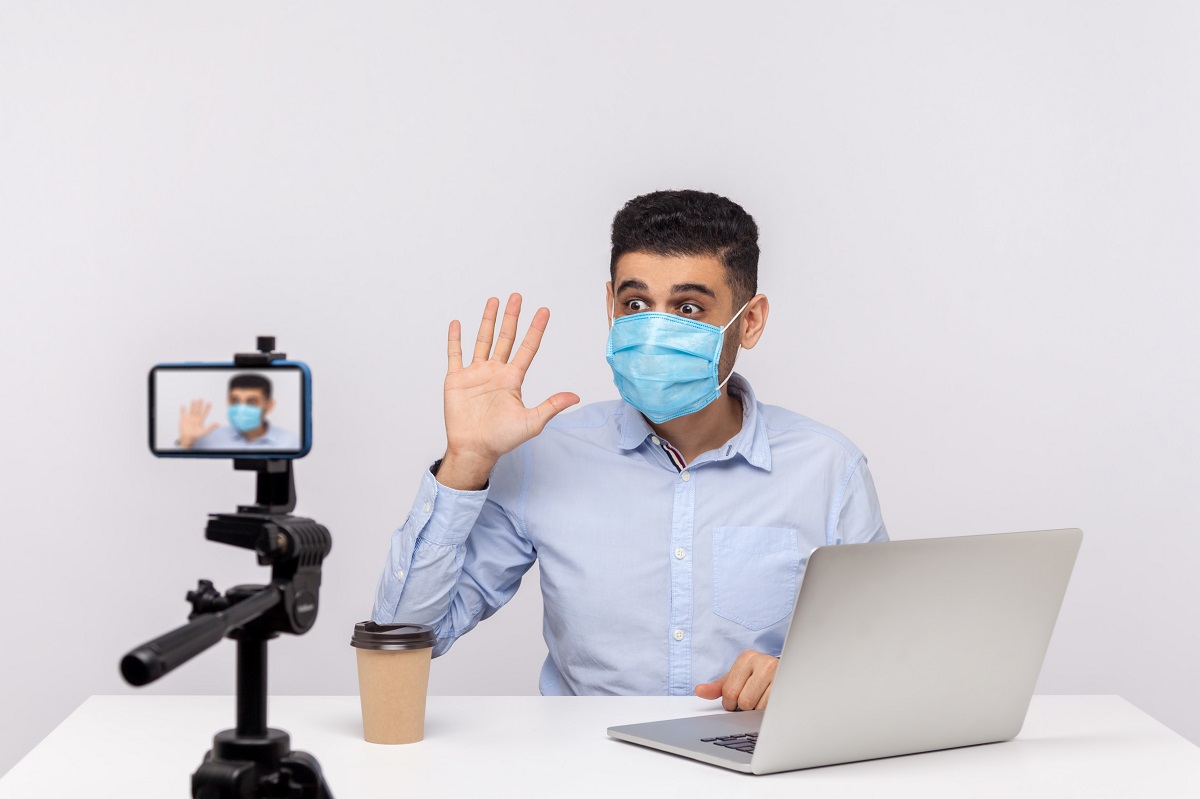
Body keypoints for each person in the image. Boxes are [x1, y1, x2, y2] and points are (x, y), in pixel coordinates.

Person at [373, 190, 887, 711]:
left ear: (749, 322)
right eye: (635, 305)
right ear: (610, 307)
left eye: (689, 308)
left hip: (755, 768)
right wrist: (466, 463)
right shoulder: (546, 457)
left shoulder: (827, 468)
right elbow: (407, 637)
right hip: (588, 771)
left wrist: (803, 676)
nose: (656, 329)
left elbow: (886, 659)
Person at [178, 373, 300, 451]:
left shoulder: (290, 442)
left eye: (251, 402)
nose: (241, 408)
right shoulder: (207, 438)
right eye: (235, 401)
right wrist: (186, 441)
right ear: (228, 401)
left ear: (269, 405)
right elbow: (177, 474)